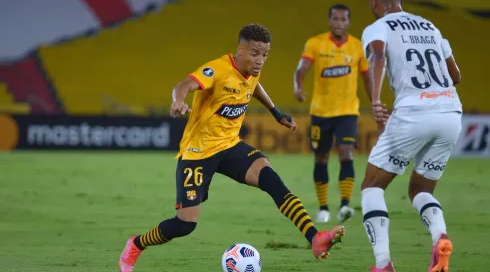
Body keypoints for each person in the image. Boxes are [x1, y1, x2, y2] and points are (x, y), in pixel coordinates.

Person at [118, 24, 346, 272]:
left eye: (265, 55)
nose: (260, 60)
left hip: (229, 146)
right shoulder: (217, 69)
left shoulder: (251, 70)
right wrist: (178, 101)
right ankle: (136, 244)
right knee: (185, 225)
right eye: (255, 53)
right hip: (198, 154)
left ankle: (315, 237)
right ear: (240, 50)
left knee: (273, 181)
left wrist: (275, 112)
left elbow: (254, 85)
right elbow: (183, 84)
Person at [360, 0, 462, 271]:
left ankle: (383, 263)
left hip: (413, 112)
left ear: (375, 1)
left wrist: (377, 100)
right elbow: (456, 75)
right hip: (451, 112)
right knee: (421, 189)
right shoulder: (430, 26)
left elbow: (379, 56)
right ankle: (439, 236)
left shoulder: (378, 27)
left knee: (372, 186)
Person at [294, 4, 371, 224]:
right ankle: (324, 208)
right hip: (321, 112)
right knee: (321, 157)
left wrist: (375, 102)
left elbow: (367, 78)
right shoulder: (315, 43)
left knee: (346, 153)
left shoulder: (358, 47)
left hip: (348, 112)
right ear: (329, 21)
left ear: (349, 22)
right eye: (335, 19)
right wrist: (298, 87)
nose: (339, 23)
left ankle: (345, 206)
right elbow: (301, 70)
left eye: (343, 19)